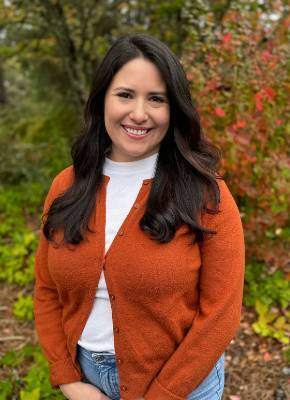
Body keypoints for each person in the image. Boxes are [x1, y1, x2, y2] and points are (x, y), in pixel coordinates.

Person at [34, 33, 245, 400]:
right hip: (88, 385)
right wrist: (67, 378)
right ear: (102, 99)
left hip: (182, 387)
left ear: (173, 109)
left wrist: (164, 393)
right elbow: (47, 290)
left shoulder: (206, 195)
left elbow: (221, 316)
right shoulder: (66, 186)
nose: (139, 113)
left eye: (156, 99)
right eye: (126, 94)